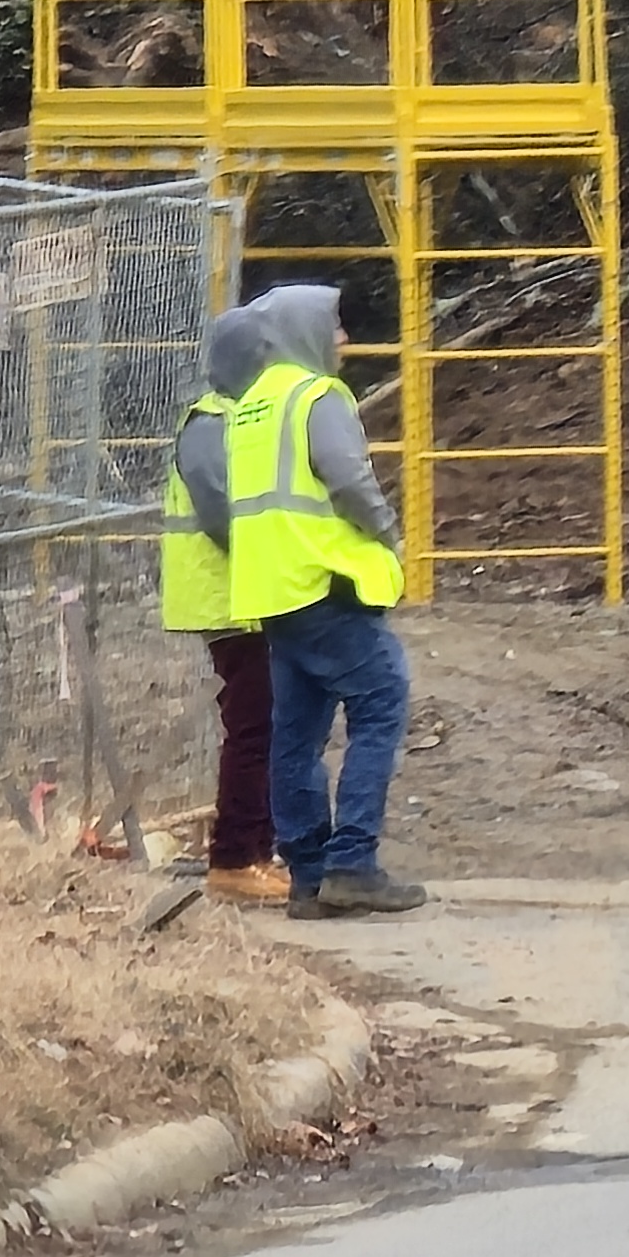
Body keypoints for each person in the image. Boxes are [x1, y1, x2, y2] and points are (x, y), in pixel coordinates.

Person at [214, 280, 424, 915]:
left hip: (273, 591)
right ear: (306, 332)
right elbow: (351, 480)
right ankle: (352, 862)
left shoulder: (251, 405)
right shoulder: (316, 395)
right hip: (323, 582)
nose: (343, 340)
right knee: (382, 699)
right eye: (334, 327)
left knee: (295, 733)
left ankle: (307, 874)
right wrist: (390, 534)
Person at [157, 296, 291, 908]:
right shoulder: (212, 423)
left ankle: (256, 849)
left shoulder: (238, 417)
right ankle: (236, 857)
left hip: (248, 597)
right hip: (230, 600)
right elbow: (222, 513)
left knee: (263, 725)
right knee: (253, 728)